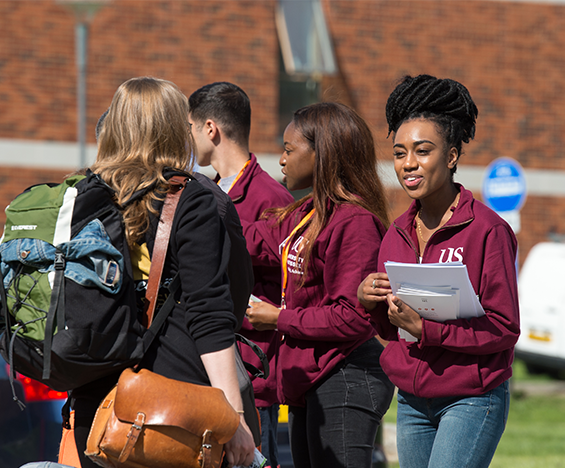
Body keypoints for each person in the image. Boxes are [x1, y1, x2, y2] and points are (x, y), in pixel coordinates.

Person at [71, 76, 255, 468]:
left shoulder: (84, 196)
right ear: (175, 128)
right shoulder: (196, 199)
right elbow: (214, 313)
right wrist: (234, 417)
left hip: (99, 405)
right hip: (177, 408)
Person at [357, 74, 519, 468]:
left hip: (471, 399)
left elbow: (504, 328)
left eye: (422, 151)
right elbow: (391, 329)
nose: (408, 164)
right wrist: (370, 303)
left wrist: (426, 329)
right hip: (412, 401)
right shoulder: (395, 234)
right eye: (399, 153)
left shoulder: (488, 231)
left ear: (450, 156)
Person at [243, 102, 395, 468]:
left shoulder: (354, 221)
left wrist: (278, 318)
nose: (280, 159)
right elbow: (248, 239)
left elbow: (353, 317)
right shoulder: (306, 213)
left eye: (289, 149)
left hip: (345, 375)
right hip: (310, 377)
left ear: (321, 154)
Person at [189, 82, 294, 468]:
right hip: (207, 378)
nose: (190, 138)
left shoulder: (273, 199)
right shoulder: (203, 194)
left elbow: (293, 287)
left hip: (253, 380)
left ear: (210, 129)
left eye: (191, 127)